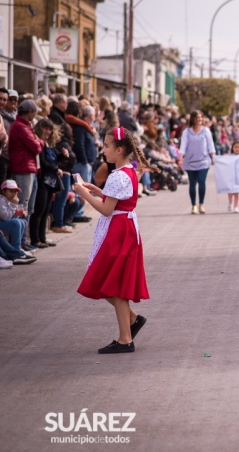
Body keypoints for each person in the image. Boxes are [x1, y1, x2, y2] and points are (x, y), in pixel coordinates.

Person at [73, 127, 154, 354]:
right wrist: (96, 190)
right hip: (124, 229)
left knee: (112, 284)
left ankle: (125, 338)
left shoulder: (118, 174)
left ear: (119, 150)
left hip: (118, 231)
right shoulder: (128, 171)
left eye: (107, 146)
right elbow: (117, 200)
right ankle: (131, 322)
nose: (103, 150)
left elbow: (107, 209)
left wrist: (84, 193)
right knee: (109, 282)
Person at [8, 100, 43, 220]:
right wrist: (41, 141)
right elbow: (36, 147)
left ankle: (23, 238)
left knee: (28, 207)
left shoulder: (26, 125)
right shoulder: (20, 127)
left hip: (29, 169)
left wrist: (37, 141)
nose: (36, 115)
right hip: (23, 169)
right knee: (22, 205)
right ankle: (20, 238)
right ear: (30, 112)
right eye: (35, 112)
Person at [29, 119, 60, 248]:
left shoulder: (48, 144)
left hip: (49, 181)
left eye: (49, 129)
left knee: (46, 210)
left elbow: (54, 160)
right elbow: (42, 162)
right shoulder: (38, 143)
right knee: (39, 210)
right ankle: (35, 239)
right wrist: (56, 169)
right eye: (45, 128)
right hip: (42, 180)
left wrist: (64, 156)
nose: (47, 131)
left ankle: (42, 238)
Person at [178, 110, 215, 214]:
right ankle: (193, 205)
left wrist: (213, 157)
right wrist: (180, 157)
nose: (200, 120)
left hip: (203, 161)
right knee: (192, 184)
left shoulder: (206, 131)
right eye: (198, 118)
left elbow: (210, 145)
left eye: (201, 118)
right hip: (190, 162)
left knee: (201, 181)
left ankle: (201, 204)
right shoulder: (187, 132)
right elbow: (183, 145)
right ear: (193, 119)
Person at [0, 179, 28, 248]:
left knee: (23, 221)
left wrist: (17, 213)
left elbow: (12, 218)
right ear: (4, 191)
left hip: (2, 223)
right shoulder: (0, 200)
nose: (14, 194)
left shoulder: (9, 200)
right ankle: (16, 249)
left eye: (15, 192)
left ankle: (17, 248)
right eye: (11, 191)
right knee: (16, 222)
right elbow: (5, 217)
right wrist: (14, 204)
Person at [227, 140, 239, 213]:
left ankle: (236, 206)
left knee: (237, 192)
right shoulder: (229, 157)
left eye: (238, 147)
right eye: (235, 147)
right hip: (231, 177)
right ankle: (230, 203)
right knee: (230, 191)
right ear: (232, 148)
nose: (237, 149)